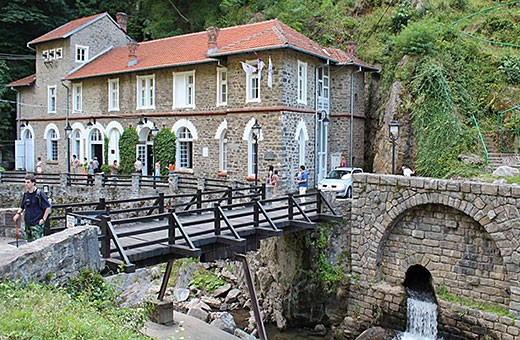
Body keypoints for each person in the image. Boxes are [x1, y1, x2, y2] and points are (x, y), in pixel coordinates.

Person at [12, 174, 51, 242]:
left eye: (28, 182)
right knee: (29, 243)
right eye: (25, 182)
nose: (26, 184)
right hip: (28, 223)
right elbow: (22, 206)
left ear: (33, 183)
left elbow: (47, 207)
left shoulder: (39, 193)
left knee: (37, 243)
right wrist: (17, 214)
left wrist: (43, 219)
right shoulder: (26, 194)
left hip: (36, 223)